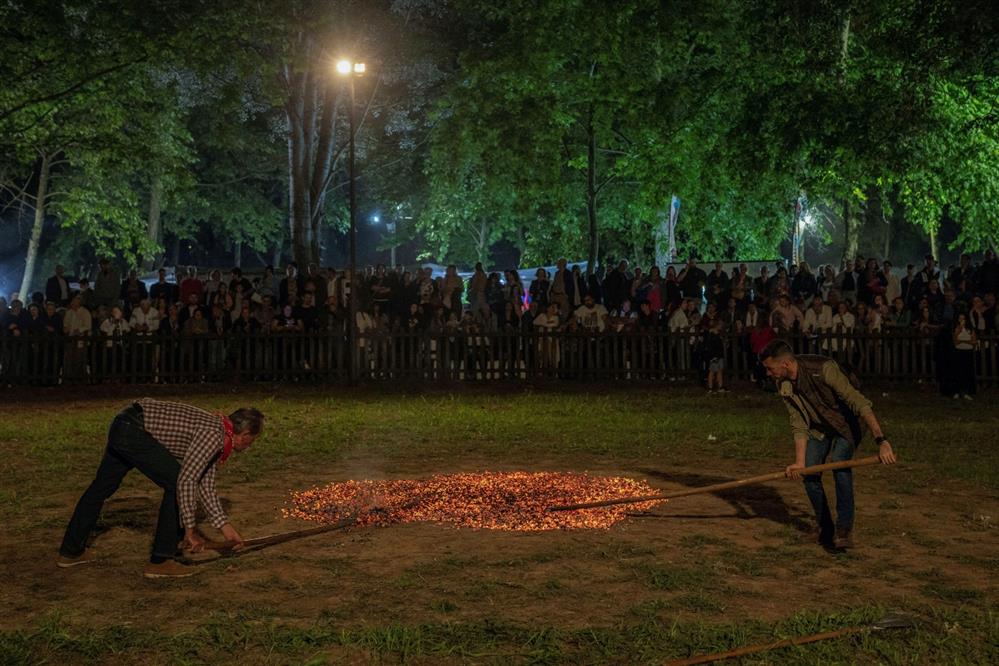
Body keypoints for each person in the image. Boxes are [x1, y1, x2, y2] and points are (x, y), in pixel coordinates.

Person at [58, 400, 264, 578]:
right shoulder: (213, 435)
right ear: (244, 434)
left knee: (101, 488)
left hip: (123, 423)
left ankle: (71, 551)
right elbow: (187, 480)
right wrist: (190, 531)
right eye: (252, 441)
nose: (250, 446)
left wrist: (227, 531)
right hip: (135, 430)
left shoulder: (219, 430)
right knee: (176, 482)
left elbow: (206, 485)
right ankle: (160, 561)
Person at [758, 339, 896, 550]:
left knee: (840, 463)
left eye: (770, 368)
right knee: (809, 473)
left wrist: (882, 440)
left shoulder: (824, 369)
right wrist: (799, 462)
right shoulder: (783, 384)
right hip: (819, 428)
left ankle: (844, 530)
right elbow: (798, 422)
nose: (768, 373)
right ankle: (825, 529)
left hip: (847, 425)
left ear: (785, 364)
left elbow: (858, 402)